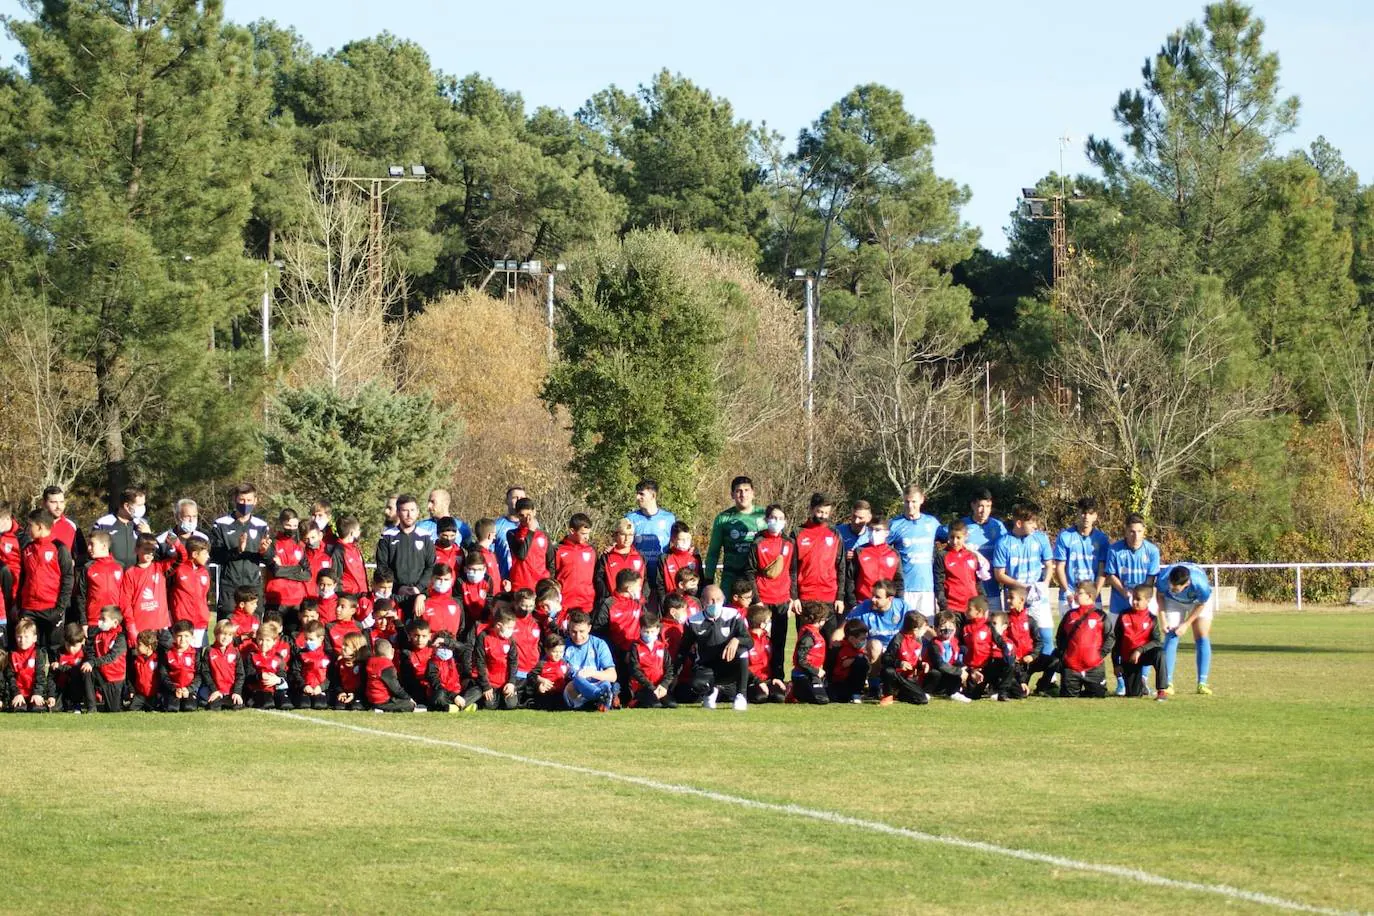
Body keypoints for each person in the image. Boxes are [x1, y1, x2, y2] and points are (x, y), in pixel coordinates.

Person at [1104, 513, 1162, 694]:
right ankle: (1120, 680)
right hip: (1119, 602)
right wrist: (1125, 593)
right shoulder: (1115, 550)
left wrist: (1141, 597)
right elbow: (1111, 574)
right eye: (1131, 531)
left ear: (1144, 531)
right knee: (1118, 641)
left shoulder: (1152, 551)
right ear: (1125, 531)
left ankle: (1143, 679)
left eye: (1139, 531)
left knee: (1144, 639)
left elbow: (1151, 578)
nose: (1135, 535)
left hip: (1144, 601)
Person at [991, 503, 1056, 656]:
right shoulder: (1003, 543)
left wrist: (1045, 584)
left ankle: (1050, 678)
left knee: (1046, 636)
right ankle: (1017, 675)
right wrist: (1021, 587)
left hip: (1038, 596)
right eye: (1032, 522)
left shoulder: (1041, 538)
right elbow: (999, 574)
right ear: (1019, 523)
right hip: (1015, 598)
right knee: (1015, 637)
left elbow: (1049, 565)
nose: (1035, 525)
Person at [676, 584, 752, 711]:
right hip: (706, 667)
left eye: (718, 599)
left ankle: (741, 696)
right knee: (696, 685)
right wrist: (670, 681)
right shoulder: (693, 621)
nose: (715, 603)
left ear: (723, 600)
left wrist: (736, 640)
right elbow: (683, 651)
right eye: (711, 600)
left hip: (728, 665)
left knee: (743, 651)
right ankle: (710, 692)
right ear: (703, 601)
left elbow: (749, 641)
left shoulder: (734, 615)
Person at [747, 504, 798, 680]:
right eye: (773, 518)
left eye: (780, 518)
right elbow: (750, 572)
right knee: (760, 641)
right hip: (763, 600)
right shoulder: (758, 542)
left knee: (779, 642)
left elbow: (793, 571)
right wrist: (757, 599)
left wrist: (793, 596)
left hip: (782, 600)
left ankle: (777, 678)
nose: (776, 521)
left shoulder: (789, 543)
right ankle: (760, 677)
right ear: (767, 519)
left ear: (785, 521)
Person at [837, 579, 908, 700]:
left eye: (877, 597)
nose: (873, 599)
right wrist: (833, 644)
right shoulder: (865, 606)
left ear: (889, 599)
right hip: (871, 650)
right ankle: (873, 688)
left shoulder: (902, 607)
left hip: (895, 650)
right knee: (875, 645)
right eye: (873, 595)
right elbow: (841, 630)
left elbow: (920, 625)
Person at [209, 483, 271, 618]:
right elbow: (215, 556)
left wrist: (264, 552)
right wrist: (237, 550)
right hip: (230, 587)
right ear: (235, 500)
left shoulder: (262, 526)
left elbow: (269, 559)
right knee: (228, 629)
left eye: (249, 500)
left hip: (253, 585)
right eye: (242, 500)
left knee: (252, 631)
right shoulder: (221, 524)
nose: (245, 504)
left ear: (255, 501)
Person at [19, 508, 75, 654]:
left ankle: (54, 676)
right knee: (28, 648)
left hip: (52, 607)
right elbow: (23, 578)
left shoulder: (60, 548)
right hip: (29, 608)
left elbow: (68, 578)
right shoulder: (27, 548)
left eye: (30, 525)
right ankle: (33, 677)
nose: (28, 529)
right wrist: (20, 605)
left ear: (40, 526)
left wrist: (60, 608)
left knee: (55, 648)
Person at [1156, 562, 1216, 696]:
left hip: (1197, 602)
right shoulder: (1163, 578)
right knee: (1171, 634)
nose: (1172, 589)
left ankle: (1202, 683)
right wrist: (1163, 619)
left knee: (1201, 635)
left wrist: (1186, 624)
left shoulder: (1201, 586)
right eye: (1171, 587)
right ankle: (1167, 683)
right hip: (1173, 602)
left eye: (1176, 589)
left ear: (1187, 584)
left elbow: (1201, 605)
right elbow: (1160, 596)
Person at [703, 476, 767, 597]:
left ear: (753, 493)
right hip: (731, 578)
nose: (743, 494)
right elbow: (713, 552)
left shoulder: (764, 515)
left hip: (758, 578)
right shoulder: (723, 518)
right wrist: (708, 580)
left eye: (747, 490)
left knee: (759, 615)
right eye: (738, 491)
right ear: (732, 494)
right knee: (730, 614)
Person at [1047, 589, 1115, 698]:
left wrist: (1099, 655)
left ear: (1089, 595)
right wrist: (1065, 655)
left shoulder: (1100, 616)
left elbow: (1110, 638)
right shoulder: (1070, 615)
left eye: (1079, 593)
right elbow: (1060, 636)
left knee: (1098, 696)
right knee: (1068, 697)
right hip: (1071, 667)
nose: (1076, 595)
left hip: (1094, 666)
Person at [375, 494, 435, 621]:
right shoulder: (387, 537)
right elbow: (382, 567)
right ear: (398, 512)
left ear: (418, 512)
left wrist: (419, 588)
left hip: (419, 597)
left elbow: (431, 567)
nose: (409, 515)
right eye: (405, 510)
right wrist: (398, 587)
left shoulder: (425, 537)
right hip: (395, 595)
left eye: (412, 510)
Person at [887, 483, 942, 618]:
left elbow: (954, 539)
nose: (910, 505)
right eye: (907, 501)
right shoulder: (895, 524)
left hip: (927, 587)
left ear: (922, 500)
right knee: (905, 628)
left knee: (926, 629)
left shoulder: (932, 523)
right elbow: (880, 548)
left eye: (914, 502)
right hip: (905, 588)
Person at [794, 493, 847, 622]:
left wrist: (840, 597)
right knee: (806, 640)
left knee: (831, 641)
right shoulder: (797, 533)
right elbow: (792, 569)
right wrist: (794, 597)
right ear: (811, 509)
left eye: (826, 513)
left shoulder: (834, 534)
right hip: (805, 597)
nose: (823, 516)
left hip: (829, 596)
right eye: (819, 512)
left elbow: (841, 566)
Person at [1054, 497, 1109, 614]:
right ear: (1078, 513)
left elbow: (1102, 570)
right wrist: (1068, 592)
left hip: (1092, 596)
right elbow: (1059, 568)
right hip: (1068, 597)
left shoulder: (1102, 539)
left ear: (1095, 516)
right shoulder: (1065, 536)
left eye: (1090, 513)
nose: (1086, 517)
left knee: (1093, 631)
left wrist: (1095, 594)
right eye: (1083, 513)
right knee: (1068, 632)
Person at [119, 534, 175, 650]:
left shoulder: (161, 568)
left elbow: (182, 558)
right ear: (136, 550)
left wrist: (176, 544)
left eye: (152, 550)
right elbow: (125, 603)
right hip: (141, 629)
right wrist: (131, 627)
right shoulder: (130, 573)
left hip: (161, 628)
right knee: (141, 665)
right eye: (146, 549)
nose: (150, 553)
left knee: (163, 665)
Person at [592, 568, 645, 681]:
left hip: (636, 652)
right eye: (639, 586)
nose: (641, 588)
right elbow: (598, 632)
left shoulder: (638, 601)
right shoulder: (608, 604)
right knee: (621, 685)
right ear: (629, 589)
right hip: (616, 655)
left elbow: (645, 623)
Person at [560, 610, 619, 711]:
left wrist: (591, 673)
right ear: (568, 629)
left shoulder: (599, 644)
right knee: (577, 679)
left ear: (589, 628)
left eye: (581, 631)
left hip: (597, 684)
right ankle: (600, 697)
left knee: (605, 683)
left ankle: (602, 698)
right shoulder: (562, 646)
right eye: (573, 632)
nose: (577, 636)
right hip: (576, 691)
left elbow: (612, 676)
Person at [1116, 584, 1167, 699]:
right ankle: (1141, 686)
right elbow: (1117, 641)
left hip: (1144, 654)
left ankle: (1162, 691)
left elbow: (1156, 641)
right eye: (1133, 598)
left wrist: (1140, 650)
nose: (1134, 602)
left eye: (1138, 599)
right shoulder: (1123, 615)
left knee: (1160, 653)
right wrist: (1117, 664)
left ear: (1148, 601)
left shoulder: (1152, 618)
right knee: (1133, 695)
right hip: (1129, 658)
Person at [959, 489, 1006, 604]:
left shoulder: (998, 526)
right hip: (971, 588)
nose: (984, 511)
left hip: (993, 587)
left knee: (995, 620)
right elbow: (942, 533)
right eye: (981, 506)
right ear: (973, 505)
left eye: (988, 506)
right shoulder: (963, 525)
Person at [626, 479, 677, 586]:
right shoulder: (630, 518)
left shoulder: (669, 518)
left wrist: (689, 549)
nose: (637, 497)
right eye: (637, 494)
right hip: (638, 576)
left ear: (653, 496)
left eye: (641, 494)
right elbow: (622, 543)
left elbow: (677, 541)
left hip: (661, 576)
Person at [468, 608, 520, 710]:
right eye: (509, 627)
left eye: (513, 628)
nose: (511, 630)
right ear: (499, 625)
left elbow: (513, 662)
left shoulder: (510, 640)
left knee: (511, 705)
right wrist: (486, 686)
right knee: (489, 705)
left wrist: (511, 682)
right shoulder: (484, 636)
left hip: (505, 683)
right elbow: (480, 662)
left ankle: (503, 697)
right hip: (490, 682)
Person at [937, 519, 988, 620]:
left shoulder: (973, 555)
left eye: (958, 537)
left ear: (966, 536)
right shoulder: (942, 556)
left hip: (972, 607)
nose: (955, 541)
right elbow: (939, 583)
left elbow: (977, 581)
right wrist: (943, 604)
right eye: (952, 537)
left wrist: (983, 600)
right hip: (952, 607)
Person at [846, 517, 903, 608]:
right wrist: (852, 603)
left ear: (886, 533)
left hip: (886, 605)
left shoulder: (894, 554)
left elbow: (899, 581)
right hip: (862, 603)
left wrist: (899, 602)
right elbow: (850, 578)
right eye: (870, 529)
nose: (873, 533)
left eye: (877, 530)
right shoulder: (859, 551)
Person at [626, 610, 678, 708]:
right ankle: (635, 701)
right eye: (646, 631)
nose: (649, 634)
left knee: (672, 704)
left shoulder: (662, 647)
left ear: (658, 630)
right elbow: (635, 670)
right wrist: (651, 687)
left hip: (660, 686)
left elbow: (670, 668)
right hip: (643, 687)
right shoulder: (635, 647)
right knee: (655, 705)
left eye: (652, 631)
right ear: (640, 630)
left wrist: (664, 685)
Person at [169, 535, 213, 647]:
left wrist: (206, 614)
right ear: (194, 554)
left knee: (197, 657)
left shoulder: (204, 571)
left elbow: (204, 596)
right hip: (182, 622)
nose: (208, 556)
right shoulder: (178, 568)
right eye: (205, 553)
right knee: (181, 656)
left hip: (200, 623)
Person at [880, 612, 931, 705]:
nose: (925, 631)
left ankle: (900, 694)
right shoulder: (898, 639)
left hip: (908, 678)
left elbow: (915, 659)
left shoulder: (919, 640)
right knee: (889, 671)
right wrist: (899, 663)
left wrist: (921, 664)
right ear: (915, 629)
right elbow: (886, 658)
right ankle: (888, 695)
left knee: (922, 700)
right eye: (923, 628)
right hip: (896, 675)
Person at [93, 485, 150, 568]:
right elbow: (94, 553)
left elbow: (151, 554)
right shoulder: (103, 524)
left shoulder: (142, 523)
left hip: (134, 577)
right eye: (139, 505)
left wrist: (148, 535)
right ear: (127, 506)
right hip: (111, 576)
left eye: (143, 504)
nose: (143, 508)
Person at [504, 498, 553, 594]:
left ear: (534, 512)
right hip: (520, 586)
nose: (526, 519)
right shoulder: (512, 534)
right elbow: (521, 555)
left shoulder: (544, 535)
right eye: (521, 515)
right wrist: (530, 531)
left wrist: (549, 581)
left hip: (540, 586)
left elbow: (550, 561)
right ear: (517, 515)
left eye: (528, 515)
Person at [594, 519, 646, 607]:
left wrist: (643, 598)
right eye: (623, 534)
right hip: (614, 606)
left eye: (630, 535)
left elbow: (645, 580)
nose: (627, 538)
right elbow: (599, 580)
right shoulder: (606, 557)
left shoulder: (640, 557)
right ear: (615, 535)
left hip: (635, 605)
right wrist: (607, 599)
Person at [86, 606, 127, 713]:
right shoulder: (97, 635)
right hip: (100, 673)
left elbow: (111, 657)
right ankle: (91, 707)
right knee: (86, 669)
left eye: (103, 619)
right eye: (100, 619)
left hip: (114, 677)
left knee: (113, 710)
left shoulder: (120, 638)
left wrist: (93, 662)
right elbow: (92, 652)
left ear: (115, 622)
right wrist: (90, 662)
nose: (100, 622)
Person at [554, 514, 598, 614]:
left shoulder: (591, 551)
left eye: (588, 533)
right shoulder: (558, 550)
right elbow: (552, 576)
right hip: (564, 605)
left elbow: (596, 577)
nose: (587, 537)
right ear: (572, 531)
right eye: (583, 533)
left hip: (586, 605)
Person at [244, 620, 293, 710]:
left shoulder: (278, 657)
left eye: (268, 640)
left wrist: (277, 680)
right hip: (258, 690)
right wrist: (260, 676)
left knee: (286, 705)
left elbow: (282, 673)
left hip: (275, 688)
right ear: (256, 639)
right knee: (267, 703)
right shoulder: (251, 656)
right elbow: (248, 677)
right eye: (260, 639)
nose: (264, 643)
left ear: (274, 641)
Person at [6, 617, 52, 711]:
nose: (22, 640)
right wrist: (16, 694)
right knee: (19, 709)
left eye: (26, 636)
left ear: (34, 638)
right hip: (19, 693)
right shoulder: (11, 655)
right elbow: (10, 677)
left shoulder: (38, 653)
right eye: (19, 636)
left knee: (37, 708)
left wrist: (38, 693)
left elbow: (41, 675)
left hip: (34, 693)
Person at [199, 619, 245, 711]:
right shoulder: (209, 651)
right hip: (214, 690)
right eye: (223, 634)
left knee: (237, 706)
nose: (226, 637)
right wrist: (214, 690)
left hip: (230, 691)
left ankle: (225, 700)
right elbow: (205, 672)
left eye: (229, 635)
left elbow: (240, 674)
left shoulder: (235, 651)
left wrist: (236, 692)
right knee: (214, 707)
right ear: (216, 634)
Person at [789, 602, 830, 704]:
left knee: (830, 696)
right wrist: (816, 671)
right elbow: (801, 660)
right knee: (821, 699)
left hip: (812, 674)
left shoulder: (814, 633)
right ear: (820, 620)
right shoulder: (808, 637)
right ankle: (791, 690)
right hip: (803, 675)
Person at [744, 604, 786, 703]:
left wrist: (776, 677)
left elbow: (773, 661)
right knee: (760, 697)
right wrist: (757, 682)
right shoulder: (745, 641)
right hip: (752, 681)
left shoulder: (767, 638)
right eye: (768, 620)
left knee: (779, 697)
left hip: (767, 679)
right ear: (762, 624)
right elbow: (743, 667)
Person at [924, 612, 971, 702]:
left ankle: (953, 692)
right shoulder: (934, 645)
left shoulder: (954, 642)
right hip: (935, 673)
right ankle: (927, 691)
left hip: (947, 672)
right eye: (943, 628)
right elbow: (939, 664)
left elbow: (954, 660)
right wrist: (958, 671)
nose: (947, 630)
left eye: (950, 627)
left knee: (962, 669)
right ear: (936, 628)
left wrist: (962, 667)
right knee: (935, 673)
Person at [52, 622, 95, 712]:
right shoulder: (59, 653)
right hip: (63, 687)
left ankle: (81, 704)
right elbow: (52, 676)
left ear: (82, 641)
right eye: (68, 645)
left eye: (74, 646)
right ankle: (65, 703)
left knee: (78, 672)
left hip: (80, 687)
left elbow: (79, 670)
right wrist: (51, 695)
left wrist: (61, 667)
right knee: (55, 709)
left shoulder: (86, 652)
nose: (71, 649)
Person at [958, 598, 996, 699]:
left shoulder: (988, 627)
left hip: (986, 667)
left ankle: (997, 689)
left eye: (969, 609)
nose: (966, 611)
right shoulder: (965, 627)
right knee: (972, 695)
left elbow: (997, 645)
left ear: (979, 612)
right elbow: (960, 646)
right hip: (971, 668)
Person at [364, 638, 416, 712]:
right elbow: (395, 688)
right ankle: (381, 708)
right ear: (392, 651)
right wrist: (408, 698)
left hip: (371, 698)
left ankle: (376, 707)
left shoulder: (370, 662)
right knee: (409, 705)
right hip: (382, 700)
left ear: (374, 652)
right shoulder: (386, 666)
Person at [655, 522, 702, 603]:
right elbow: (660, 586)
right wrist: (664, 604)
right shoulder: (664, 558)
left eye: (688, 539)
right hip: (673, 603)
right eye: (682, 539)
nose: (686, 542)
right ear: (673, 539)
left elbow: (701, 581)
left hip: (692, 602)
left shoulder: (695, 556)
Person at [525, 630, 572, 711]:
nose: (558, 654)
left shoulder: (564, 664)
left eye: (561, 652)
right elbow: (530, 675)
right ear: (547, 650)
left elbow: (568, 678)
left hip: (560, 693)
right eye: (554, 652)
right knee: (545, 705)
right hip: (546, 693)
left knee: (563, 706)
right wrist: (539, 682)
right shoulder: (542, 664)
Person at [41, 486, 87, 566]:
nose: (58, 506)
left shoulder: (73, 526)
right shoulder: (35, 525)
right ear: (44, 503)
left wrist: (72, 563)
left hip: (64, 577)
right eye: (53, 502)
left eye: (61, 502)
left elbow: (84, 555)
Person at [424, 632, 470, 713]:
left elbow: (466, 649)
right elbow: (436, 685)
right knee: (440, 695)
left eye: (446, 646)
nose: (444, 649)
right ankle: (461, 706)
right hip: (443, 693)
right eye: (441, 646)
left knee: (474, 687)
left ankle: (455, 706)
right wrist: (454, 696)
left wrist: (446, 641)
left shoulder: (454, 659)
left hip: (457, 691)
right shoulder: (432, 663)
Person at [291, 620, 331, 710]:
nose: (308, 642)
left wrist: (321, 687)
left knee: (320, 705)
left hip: (320, 689)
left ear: (321, 639)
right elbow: (295, 671)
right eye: (306, 639)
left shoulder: (327, 655)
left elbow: (331, 675)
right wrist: (303, 685)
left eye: (311, 639)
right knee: (303, 704)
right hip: (305, 688)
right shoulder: (301, 654)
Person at [161, 621, 200, 712]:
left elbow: (199, 674)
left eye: (186, 636)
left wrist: (189, 689)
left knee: (189, 708)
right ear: (174, 636)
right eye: (179, 636)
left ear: (192, 637)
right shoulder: (167, 653)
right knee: (172, 708)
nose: (183, 639)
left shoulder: (195, 653)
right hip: (173, 688)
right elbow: (163, 675)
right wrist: (174, 688)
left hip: (188, 689)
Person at [829, 619, 872, 703]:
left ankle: (859, 691)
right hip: (842, 681)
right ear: (852, 639)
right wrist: (858, 657)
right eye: (862, 639)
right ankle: (855, 693)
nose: (864, 641)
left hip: (851, 680)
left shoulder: (857, 649)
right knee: (861, 662)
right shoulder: (844, 648)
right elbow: (845, 663)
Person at [490, 486, 528, 581]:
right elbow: (489, 556)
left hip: (527, 581)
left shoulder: (532, 526)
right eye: (515, 498)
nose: (519, 501)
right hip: (505, 581)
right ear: (507, 501)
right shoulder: (496, 526)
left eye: (522, 498)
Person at [157, 498, 207, 563]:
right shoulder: (162, 540)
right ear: (177, 517)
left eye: (194, 516)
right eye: (187, 516)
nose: (191, 520)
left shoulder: (203, 538)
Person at [331, 517, 369, 601]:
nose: (360, 532)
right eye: (358, 530)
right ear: (352, 533)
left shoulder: (355, 548)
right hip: (349, 597)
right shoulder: (338, 551)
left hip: (363, 596)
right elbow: (336, 576)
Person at [331, 632, 367, 711]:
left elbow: (364, 684)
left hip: (358, 695)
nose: (342, 647)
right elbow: (336, 681)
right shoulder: (339, 663)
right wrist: (340, 692)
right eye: (343, 644)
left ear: (355, 648)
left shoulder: (363, 665)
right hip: (344, 693)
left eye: (346, 645)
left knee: (356, 707)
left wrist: (355, 695)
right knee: (339, 706)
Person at [128, 630, 161, 712]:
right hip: (140, 694)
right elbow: (131, 677)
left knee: (154, 708)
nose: (136, 647)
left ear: (148, 647)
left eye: (139, 645)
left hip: (154, 694)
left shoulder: (157, 659)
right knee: (132, 709)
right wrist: (132, 690)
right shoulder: (136, 660)